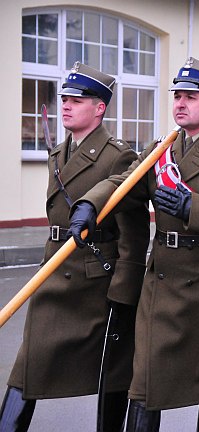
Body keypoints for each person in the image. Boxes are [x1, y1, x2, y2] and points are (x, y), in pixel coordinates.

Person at [67, 57, 199, 431]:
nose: (180, 102)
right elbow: (123, 182)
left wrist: (196, 206)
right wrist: (89, 205)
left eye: (191, 96)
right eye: (177, 95)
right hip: (162, 283)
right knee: (144, 381)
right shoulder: (162, 150)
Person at [0, 63, 149, 432]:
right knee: (27, 366)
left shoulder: (119, 156)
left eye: (76, 100)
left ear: (99, 108)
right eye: (64, 99)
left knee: (112, 373)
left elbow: (133, 231)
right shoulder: (57, 153)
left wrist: (125, 289)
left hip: (94, 284)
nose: (66, 105)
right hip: (53, 276)